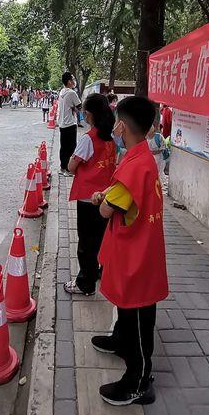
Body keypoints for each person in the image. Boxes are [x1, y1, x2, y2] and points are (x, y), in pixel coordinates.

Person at [89, 96, 169, 406]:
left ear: (122, 126)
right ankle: (120, 340)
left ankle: (139, 381)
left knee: (137, 315)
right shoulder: (142, 157)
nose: (114, 128)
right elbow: (121, 193)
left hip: (137, 256)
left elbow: (106, 211)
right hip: (142, 250)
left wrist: (103, 200)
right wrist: (108, 194)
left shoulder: (135, 166)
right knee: (129, 311)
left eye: (116, 123)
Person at [64, 93, 116, 296]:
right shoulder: (110, 138)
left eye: (85, 111)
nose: (84, 115)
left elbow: (71, 166)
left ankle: (85, 283)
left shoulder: (88, 139)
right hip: (107, 197)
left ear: (90, 114)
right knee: (101, 238)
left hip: (88, 198)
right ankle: (99, 271)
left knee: (86, 242)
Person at [58, 72, 82, 175]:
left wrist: (72, 107)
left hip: (62, 123)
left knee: (63, 147)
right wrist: (74, 108)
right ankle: (69, 170)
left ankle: (63, 168)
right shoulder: (72, 93)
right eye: (73, 79)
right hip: (70, 123)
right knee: (71, 147)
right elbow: (79, 107)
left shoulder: (62, 92)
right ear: (69, 81)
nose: (74, 81)